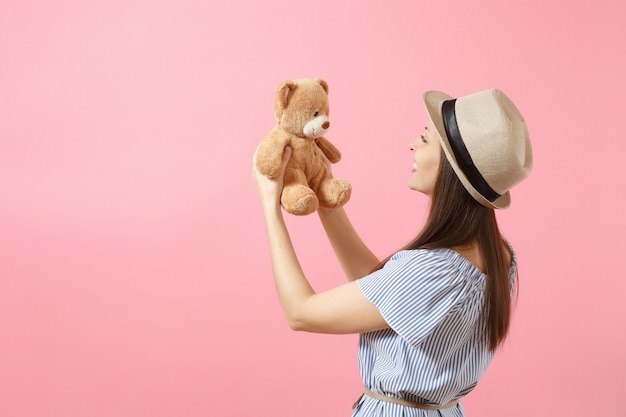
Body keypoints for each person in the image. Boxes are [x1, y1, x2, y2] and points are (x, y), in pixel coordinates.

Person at [252, 88, 533, 416]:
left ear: (453, 168)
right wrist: (326, 201)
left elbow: (300, 313)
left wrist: (269, 206)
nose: (413, 144)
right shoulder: (502, 259)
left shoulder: (433, 269)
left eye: (425, 138)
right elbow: (388, 295)